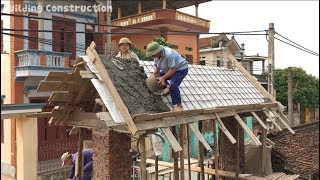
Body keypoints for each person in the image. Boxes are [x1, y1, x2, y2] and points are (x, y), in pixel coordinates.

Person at [146, 41, 189, 111]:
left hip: (180, 69)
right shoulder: (156, 56)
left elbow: (173, 69)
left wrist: (163, 78)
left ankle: (179, 105)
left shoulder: (168, 54)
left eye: (153, 54)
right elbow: (157, 68)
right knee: (157, 77)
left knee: (173, 86)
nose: (152, 56)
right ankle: (167, 86)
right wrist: (152, 76)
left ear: (158, 51)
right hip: (168, 69)